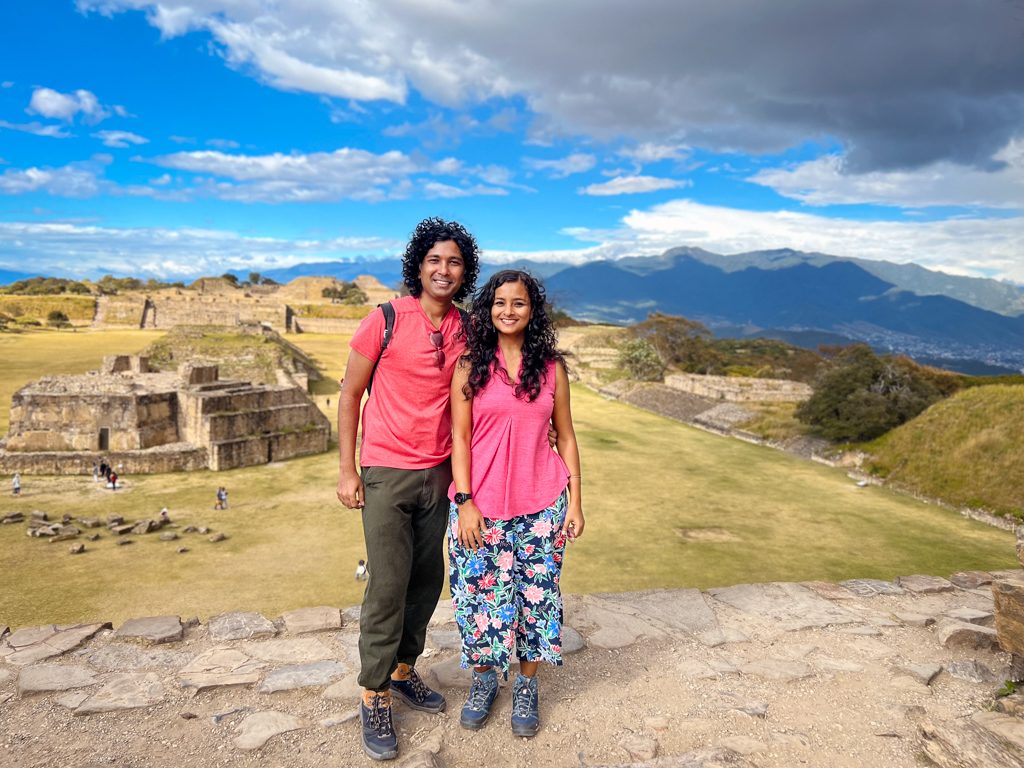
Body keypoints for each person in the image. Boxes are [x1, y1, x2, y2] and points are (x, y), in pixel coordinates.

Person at [336, 217, 480, 762]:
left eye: (455, 262)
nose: (444, 270)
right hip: (385, 471)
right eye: (434, 260)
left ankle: (402, 671)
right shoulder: (386, 319)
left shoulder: (467, 328)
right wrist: (348, 471)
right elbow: (351, 394)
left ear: (465, 272)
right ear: (418, 266)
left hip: (439, 472)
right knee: (388, 584)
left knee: (426, 580)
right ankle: (373, 693)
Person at [448, 270, 584, 738]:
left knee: (537, 601)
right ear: (488, 309)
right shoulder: (469, 365)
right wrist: (465, 500)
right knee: (477, 600)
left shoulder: (551, 368)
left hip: (541, 503)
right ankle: (484, 680)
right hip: (480, 506)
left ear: (532, 310)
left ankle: (527, 686)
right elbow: (460, 438)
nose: (509, 310)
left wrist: (576, 503)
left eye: (519, 303)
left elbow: (566, 437)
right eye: (500, 302)